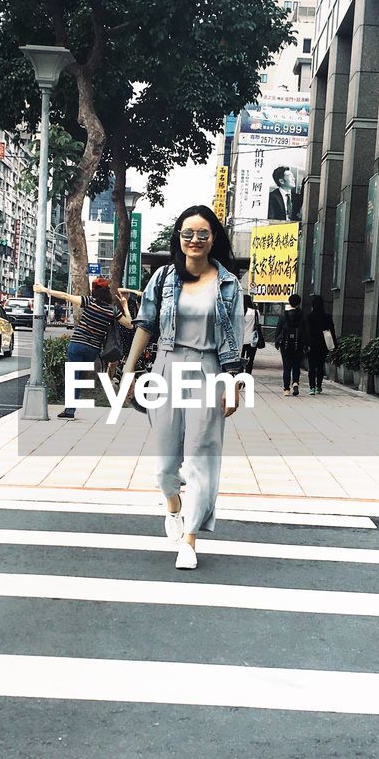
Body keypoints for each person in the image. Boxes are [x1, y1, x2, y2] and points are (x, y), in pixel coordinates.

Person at [122, 206, 246, 571]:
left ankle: (190, 539)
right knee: (164, 466)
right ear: (179, 238)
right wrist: (129, 371)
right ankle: (174, 508)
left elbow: (234, 338)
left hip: (209, 369)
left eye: (203, 234)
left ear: (213, 240)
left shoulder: (228, 283)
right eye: (187, 233)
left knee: (200, 459)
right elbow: (144, 325)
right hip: (166, 366)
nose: (195, 240)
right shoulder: (163, 278)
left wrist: (233, 381)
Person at [33, 276, 132, 419]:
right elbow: (129, 324)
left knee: (73, 376)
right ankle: (70, 408)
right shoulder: (112, 310)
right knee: (77, 377)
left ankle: (70, 410)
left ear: (94, 290)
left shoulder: (89, 302)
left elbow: (65, 295)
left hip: (78, 344)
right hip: (93, 350)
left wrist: (45, 290)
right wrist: (125, 306)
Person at [274, 293, 306, 396]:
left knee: (286, 366)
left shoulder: (284, 315)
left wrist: (277, 341)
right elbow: (307, 331)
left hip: (285, 344)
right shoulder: (303, 315)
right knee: (296, 365)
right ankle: (295, 382)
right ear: (299, 303)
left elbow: (278, 329)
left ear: (290, 302)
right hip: (299, 344)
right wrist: (306, 344)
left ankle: (286, 389)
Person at [305, 294, 337, 395]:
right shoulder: (327, 317)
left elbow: (306, 332)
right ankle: (319, 386)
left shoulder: (309, 317)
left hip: (311, 344)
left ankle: (312, 387)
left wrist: (305, 344)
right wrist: (334, 344)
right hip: (323, 344)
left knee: (311, 366)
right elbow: (332, 331)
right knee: (320, 365)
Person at [242, 294, 264, 374]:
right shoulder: (255, 312)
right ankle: (247, 374)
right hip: (252, 340)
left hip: (241, 340)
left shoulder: (240, 312)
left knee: (239, 360)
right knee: (250, 360)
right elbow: (258, 323)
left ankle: (239, 375)